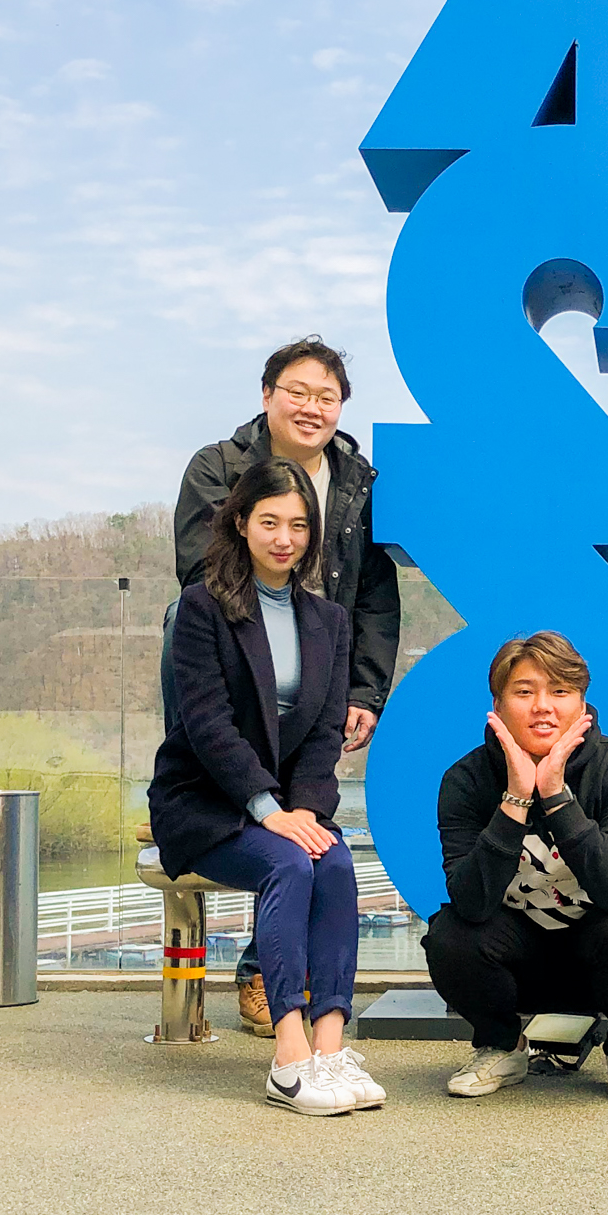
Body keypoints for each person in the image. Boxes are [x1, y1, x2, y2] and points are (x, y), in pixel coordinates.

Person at [165, 337, 402, 1037]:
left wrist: (362, 689)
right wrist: (274, 624)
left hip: (317, 664)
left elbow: (375, 593)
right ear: (267, 395)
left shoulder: (358, 482)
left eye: (326, 397)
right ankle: (271, 986)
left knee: (313, 838)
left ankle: (294, 1001)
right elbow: (202, 574)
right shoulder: (219, 467)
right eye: (297, 391)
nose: (311, 407)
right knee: (268, 828)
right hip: (239, 663)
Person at [148, 457, 380, 1116]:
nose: (285, 538)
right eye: (270, 522)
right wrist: (267, 810)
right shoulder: (201, 608)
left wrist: (302, 811)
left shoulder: (328, 620)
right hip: (207, 801)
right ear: (241, 523)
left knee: (335, 864)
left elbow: (322, 736)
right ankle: (290, 1059)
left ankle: (330, 1049)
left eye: (299, 525)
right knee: (290, 865)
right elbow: (207, 724)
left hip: (286, 805)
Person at [424, 632, 608, 1106]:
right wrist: (516, 798)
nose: (543, 707)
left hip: (598, 949)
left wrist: (557, 797)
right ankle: (502, 1046)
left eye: (560, 691)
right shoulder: (466, 780)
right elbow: (470, 902)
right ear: (497, 706)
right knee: (449, 935)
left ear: (581, 704)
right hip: (517, 956)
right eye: (524, 692)